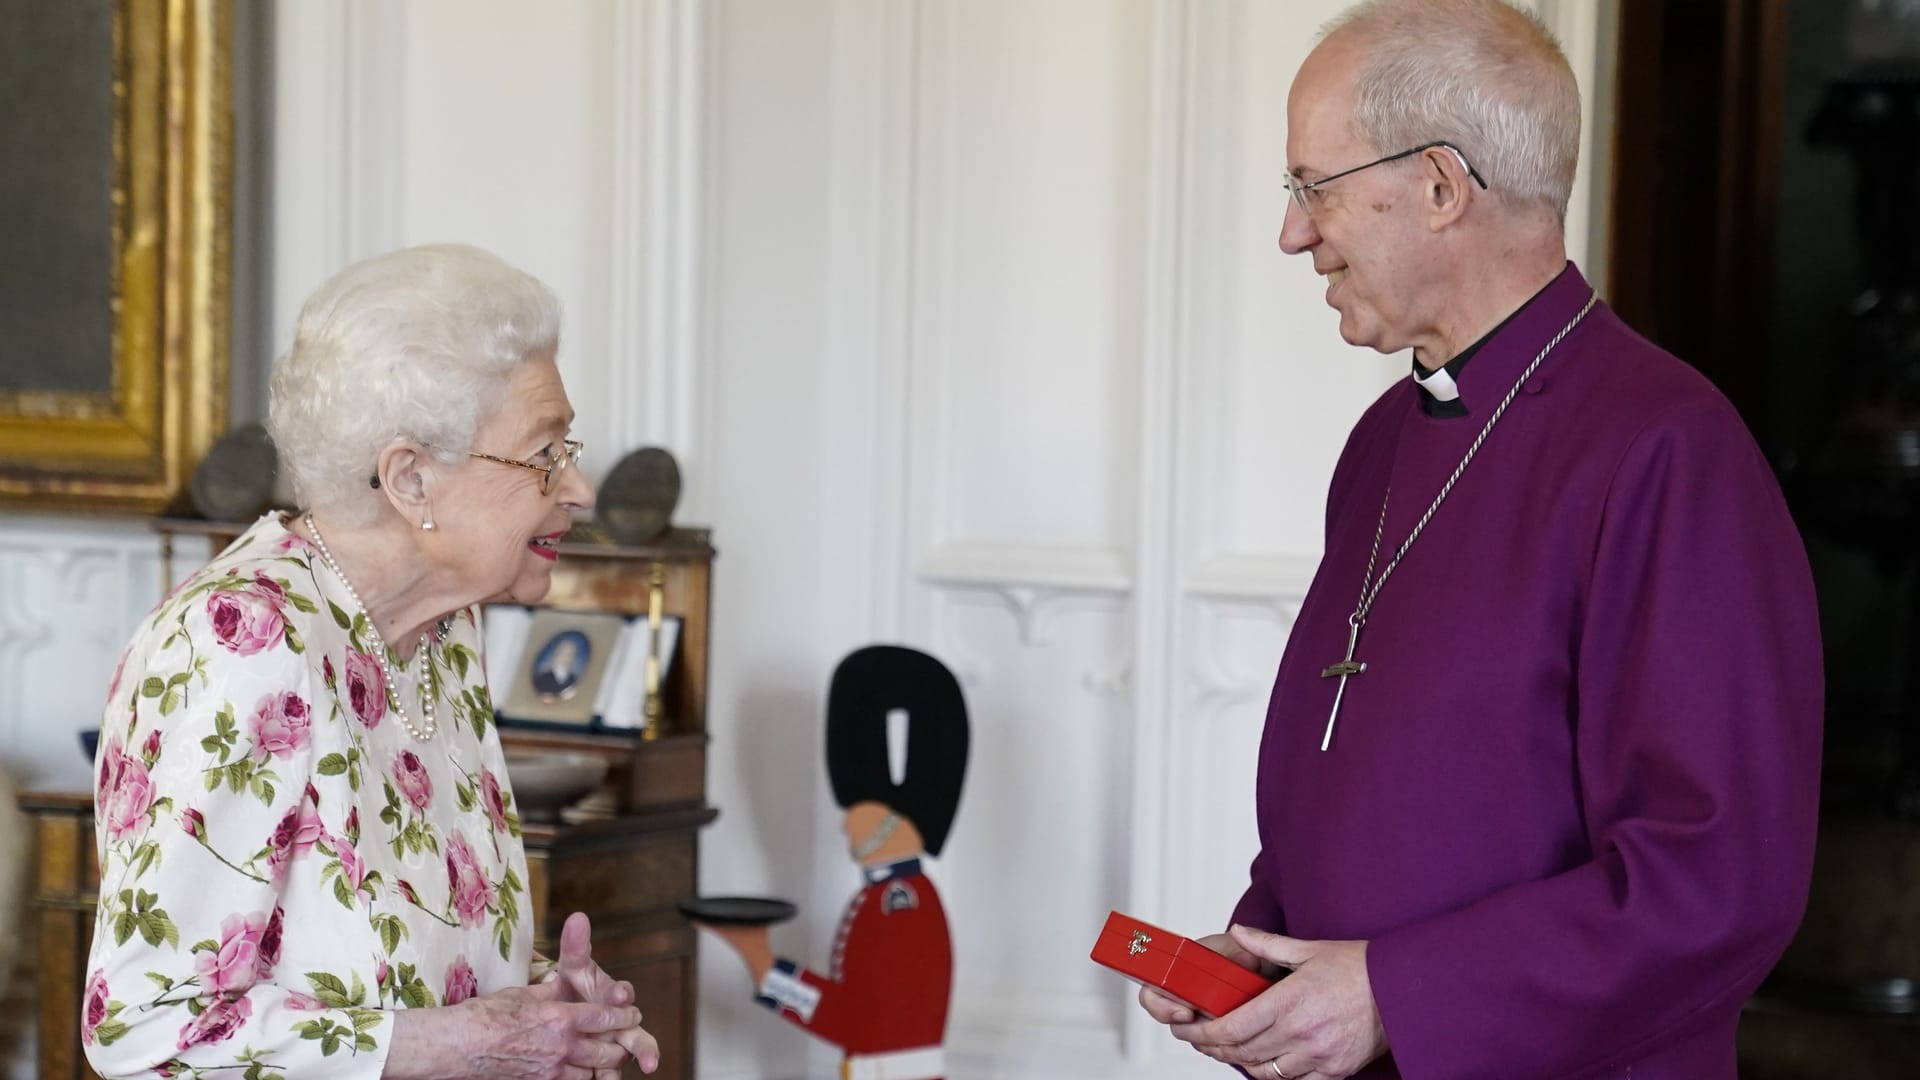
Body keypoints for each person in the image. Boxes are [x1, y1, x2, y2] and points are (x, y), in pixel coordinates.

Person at [1136, 3, 1823, 1078]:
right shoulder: (1381, 441)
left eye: (1314, 186)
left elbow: (1719, 875)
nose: (1294, 233)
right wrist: (1271, 960)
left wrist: (1394, 997)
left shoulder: (1669, 449)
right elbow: (1382, 780)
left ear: (1443, 187)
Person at [85, 244, 661, 1079]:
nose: (578, 488)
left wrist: (544, 1011)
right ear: (411, 479)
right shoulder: (243, 645)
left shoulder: (443, 631)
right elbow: (144, 1027)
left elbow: (373, 957)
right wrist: (467, 1044)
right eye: (545, 453)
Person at [697, 645, 968, 1080]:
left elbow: (852, 1018)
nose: (846, 827)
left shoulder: (900, 905)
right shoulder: (886, 896)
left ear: (894, 821)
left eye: (858, 812)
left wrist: (766, 968)